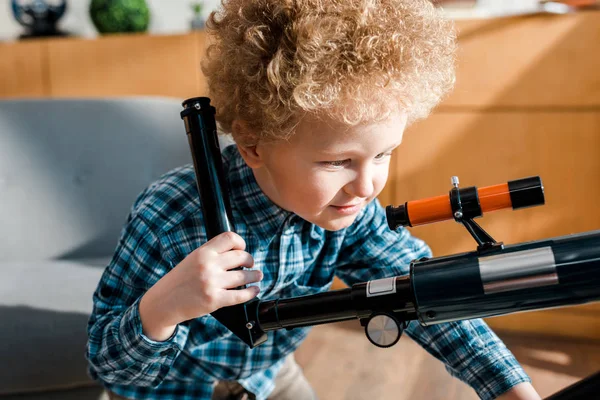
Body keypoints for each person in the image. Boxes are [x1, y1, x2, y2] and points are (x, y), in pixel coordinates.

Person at [87, 1, 542, 399]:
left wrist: (511, 389)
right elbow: (109, 365)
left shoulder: (351, 214)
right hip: (170, 390)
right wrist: (162, 308)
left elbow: (432, 301)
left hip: (267, 378)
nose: (366, 187)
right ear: (252, 142)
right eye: (337, 161)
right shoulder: (170, 218)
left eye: (383, 154)